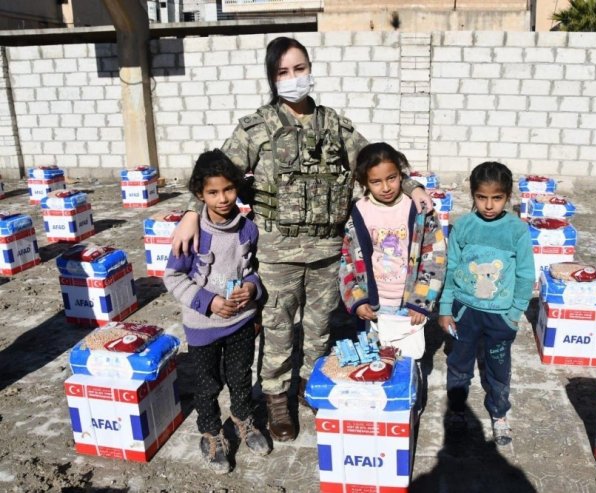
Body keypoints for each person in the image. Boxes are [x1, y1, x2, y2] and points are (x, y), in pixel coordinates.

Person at [170, 37, 432, 441]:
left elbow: (374, 162)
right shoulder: (256, 128)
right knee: (276, 327)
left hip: (328, 252)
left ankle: (313, 384)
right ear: (273, 79)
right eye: (283, 72)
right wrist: (191, 212)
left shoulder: (336, 126)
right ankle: (277, 398)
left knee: (319, 327)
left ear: (310, 69)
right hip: (277, 253)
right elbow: (216, 175)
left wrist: (412, 186)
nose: (294, 78)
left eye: (300, 68)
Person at [164, 149, 271, 474]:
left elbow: (252, 270)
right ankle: (211, 434)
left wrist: (252, 288)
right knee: (207, 385)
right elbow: (172, 276)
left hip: (240, 321)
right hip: (203, 327)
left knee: (241, 378)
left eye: (228, 189)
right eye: (213, 192)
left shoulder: (248, 230)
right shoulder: (193, 234)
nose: (222, 198)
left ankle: (243, 420)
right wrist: (208, 301)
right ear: (200, 194)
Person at [437, 161, 535, 446]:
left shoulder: (517, 230)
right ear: (472, 195)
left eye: (497, 198)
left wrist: (514, 314)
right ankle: (457, 410)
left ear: (507, 197)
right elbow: (451, 267)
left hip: (500, 318)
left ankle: (499, 412)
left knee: (498, 368)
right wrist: (445, 309)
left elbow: (525, 274)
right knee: (459, 364)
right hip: (464, 314)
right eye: (482, 197)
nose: (489, 205)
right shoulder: (464, 226)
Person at [338, 142, 446, 345]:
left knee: (406, 363)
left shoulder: (418, 209)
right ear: (365, 182)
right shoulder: (359, 212)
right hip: (374, 307)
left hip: (409, 306)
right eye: (376, 182)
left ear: (401, 174)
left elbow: (435, 257)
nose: (386, 187)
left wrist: (420, 301)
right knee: (376, 363)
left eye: (392, 178)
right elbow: (348, 260)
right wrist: (357, 299)